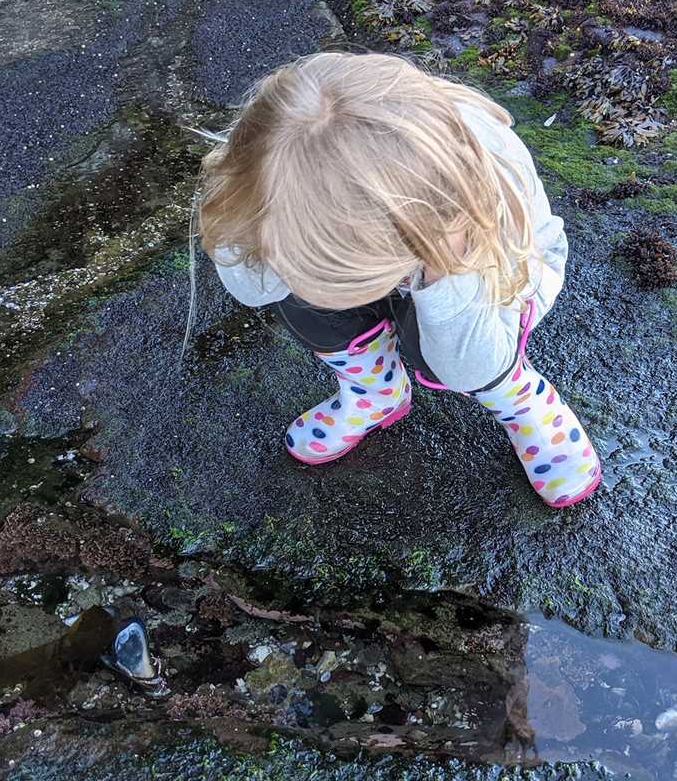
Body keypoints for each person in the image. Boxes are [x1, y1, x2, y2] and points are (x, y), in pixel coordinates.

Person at [190, 52, 600, 508]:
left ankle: (519, 398)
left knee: (444, 352)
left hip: (495, 266)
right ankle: (375, 392)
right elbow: (249, 290)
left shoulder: (472, 198)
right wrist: (272, 254)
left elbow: (471, 364)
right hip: (405, 240)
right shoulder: (266, 172)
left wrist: (446, 267)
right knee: (300, 302)